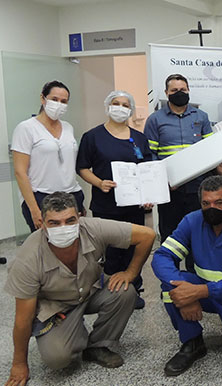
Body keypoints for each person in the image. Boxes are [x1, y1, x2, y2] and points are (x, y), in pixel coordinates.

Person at [4, 192, 156, 386]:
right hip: (56, 305)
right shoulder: (29, 258)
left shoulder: (93, 228)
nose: (63, 228)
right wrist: (19, 364)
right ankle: (71, 332)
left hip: (90, 291)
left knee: (126, 291)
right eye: (54, 223)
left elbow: (147, 235)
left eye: (70, 220)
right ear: (41, 223)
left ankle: (98, 346)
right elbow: (22, 320)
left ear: (80, 217)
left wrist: (131, 273)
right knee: (58, 359)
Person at [152, 176, 222, 378]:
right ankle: (192, 341)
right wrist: (186, 294)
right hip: (208, 295)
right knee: (170, 286)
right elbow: (162, 257)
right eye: (206, 203)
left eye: (219, 202)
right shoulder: (192, 221)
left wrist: (198, 292)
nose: (212, 208)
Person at [77, 90, 153, 309]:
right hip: (106, 205)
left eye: (125, 104)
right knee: (111, 251)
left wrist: (148, 197)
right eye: (116, 103)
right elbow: (82, 167)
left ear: (130, 110)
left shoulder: (138, 138)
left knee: (134, 249)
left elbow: (147, 171)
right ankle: (111, 292)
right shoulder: (92, 137)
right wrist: (99, 183)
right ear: (108, 107)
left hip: (134, 205)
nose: (120, 107)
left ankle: (133, 290)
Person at [144, 73, 216, 243]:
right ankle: (169, 269)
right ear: (166, 92)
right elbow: (150, 154)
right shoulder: (155, 119)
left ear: (189, 90)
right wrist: (163, 179)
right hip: (169, 188)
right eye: (174, 90)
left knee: (199, 233)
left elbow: (211, 150)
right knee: (169, 234)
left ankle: (194, 269)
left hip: (197, 186)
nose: (179, 92)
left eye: (183, 89)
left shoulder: (201, 117)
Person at [11, 80, 85, 232]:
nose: (59, 104)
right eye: (54, 99)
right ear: (42, 99)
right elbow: (20, 172)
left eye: (64, 101)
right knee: (47, 245)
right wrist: (33, 208)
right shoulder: (26, 128)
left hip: (71, 194)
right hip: (42, 196)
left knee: (73, 242)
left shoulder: (68, 127)